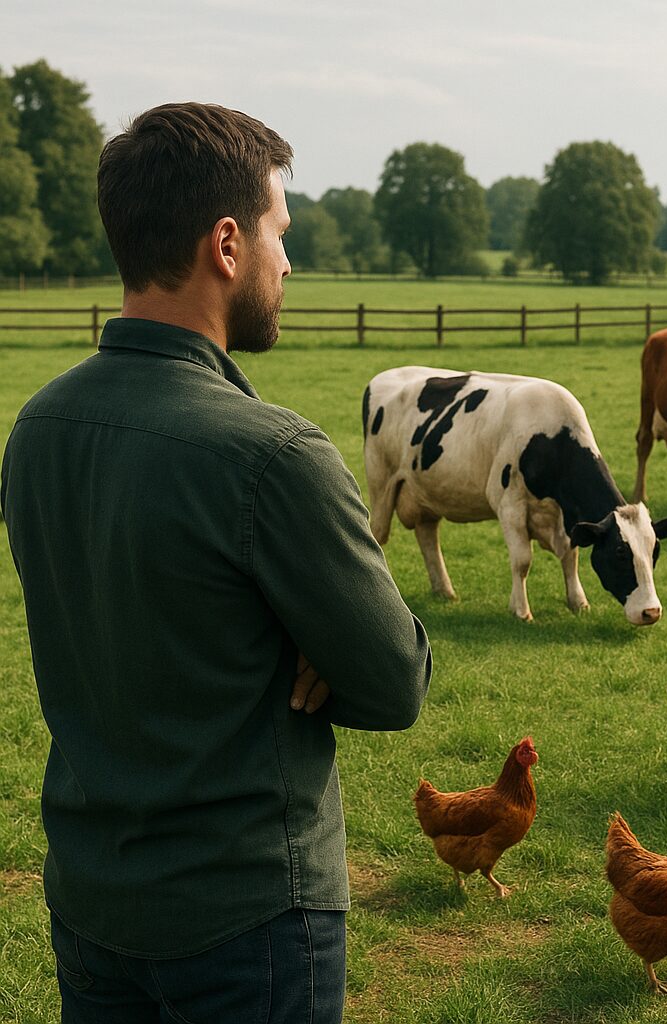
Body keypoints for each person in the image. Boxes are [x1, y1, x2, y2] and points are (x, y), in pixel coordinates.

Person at [1, 102, 431, 1024]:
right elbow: (394, 682)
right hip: (248, 922)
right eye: (281, 231)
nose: (290, 261)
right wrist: (307, 637)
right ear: (226, 245)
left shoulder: (36, 429)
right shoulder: (271, 456)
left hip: (91, 899)